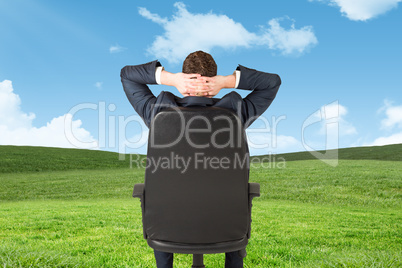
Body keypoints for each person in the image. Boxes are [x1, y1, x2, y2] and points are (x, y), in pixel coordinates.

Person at [121, 51, 281, 268]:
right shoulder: (236, 112)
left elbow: (127, 75)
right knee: (233, 203)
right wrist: (226, 82)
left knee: (164, 206)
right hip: (226, 226)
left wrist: (171, 79)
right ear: (213, 78)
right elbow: (272, 82)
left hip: (167, 228)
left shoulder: (157, 111)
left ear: (183, 77)